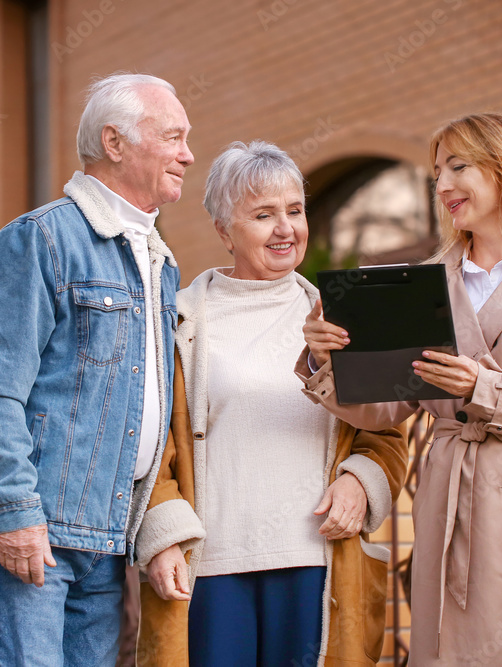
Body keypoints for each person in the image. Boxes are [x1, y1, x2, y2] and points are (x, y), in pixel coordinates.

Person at [300, 113, 502, 665]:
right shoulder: (425, 283)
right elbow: (384, 408)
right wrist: (325, 359)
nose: (442, 185)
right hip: (453, 494)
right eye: (436, 173)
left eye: (458, 166)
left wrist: (487, 388)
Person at [134, 140, 409, 667]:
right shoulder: (178, 321)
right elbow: (149, 440)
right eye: (263, 215)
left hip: (317, 560)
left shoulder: (342, 314)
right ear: (223, 230)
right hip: (210, 567)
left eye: (295, 211)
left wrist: (360, 480)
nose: (286, 229)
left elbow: (387, 431)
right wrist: (163, 535)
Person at [0, 73, 194, 666]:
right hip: (39, 532)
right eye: (172, 137)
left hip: (109, 539)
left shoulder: (159, 262)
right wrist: (14, 514)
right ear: (114, 143)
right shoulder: (39, 240)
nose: (188, 154)